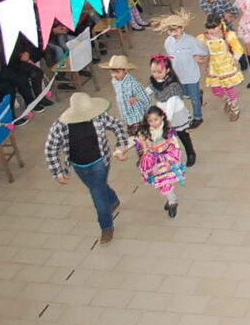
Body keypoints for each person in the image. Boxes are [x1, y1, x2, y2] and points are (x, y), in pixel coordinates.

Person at [44, 93, 129, 244]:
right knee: (99, 187)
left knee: (97, 194)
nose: (91, 117)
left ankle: (106, 226)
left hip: (99, 162)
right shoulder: (60, 126)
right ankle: (113, 199)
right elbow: (50, 149)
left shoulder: (99, 116)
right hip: (78, 166)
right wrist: (57, 172)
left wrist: (121, 144)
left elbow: (116, 125)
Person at [114, 106, 185, 218]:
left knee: (164, 182)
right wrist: (120, 149)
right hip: (151, 161)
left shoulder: (167, 130)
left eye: (156, 119)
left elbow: (174, 144)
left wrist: (171, 154)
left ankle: (172, 202)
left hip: (166, 160)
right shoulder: (145, 132)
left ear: (162, 117)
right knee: (161, 182)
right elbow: (134, 139)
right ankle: (170, 198)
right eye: (150, 121)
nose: (153, 123)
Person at [150, 10, 208, 129]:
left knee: (194, 99)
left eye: (175, 28)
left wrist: (197, 56)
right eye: (170, 29)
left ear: (182, 28)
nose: (173, 31)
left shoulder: (191, 41)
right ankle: (194, 99)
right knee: (181, 95)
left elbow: (204, 51)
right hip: (177, 76)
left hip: (191, 75)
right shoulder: (168, 42)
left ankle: (198, 117)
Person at [146, 55, 196, 168]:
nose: (155, 74)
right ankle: (170, 156)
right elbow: (150, 89)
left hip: (175, 114)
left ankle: (191, 153)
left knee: (182, 134)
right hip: (162, 114)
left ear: (167, 70)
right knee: (167, 137)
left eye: (159, 72)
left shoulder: (173, 85)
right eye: (153, 71)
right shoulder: (154, 80)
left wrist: (166, 119)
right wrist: (139, 96)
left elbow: (171, 104)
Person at [197, 13, 245, 121]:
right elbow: (197, 47)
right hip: (214, 65)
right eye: (209, 28)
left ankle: (235, 107)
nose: (211, 31)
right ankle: (227, 100)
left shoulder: (228, 35)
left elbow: (237, 48)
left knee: (229, 86)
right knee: (215, 89)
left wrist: (236, 58)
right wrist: (197, 56)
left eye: (213, 28)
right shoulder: (204, 38)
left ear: (219, 25)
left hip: (226, 64)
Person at [101, 54, 150, 134]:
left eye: (117, 72)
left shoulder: (133, 84)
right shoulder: (115, 81)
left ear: (125, 70)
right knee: (133, 136)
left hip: (137, 117)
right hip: (126, 116)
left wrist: (137, 98)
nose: (114, 75)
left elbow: (146, 98)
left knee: (141, 136)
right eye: (112, 72)